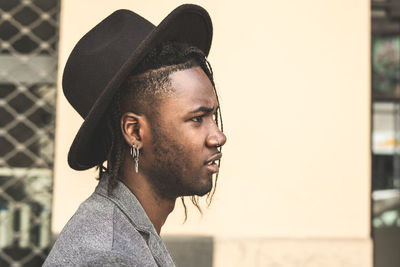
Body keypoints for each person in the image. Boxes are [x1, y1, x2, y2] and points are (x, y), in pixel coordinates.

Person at [44, 4, 226, 266]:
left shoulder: (124, 230)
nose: (218, 137)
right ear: (134, 132)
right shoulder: (109, 256)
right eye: (197, 119)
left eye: (213, 117)